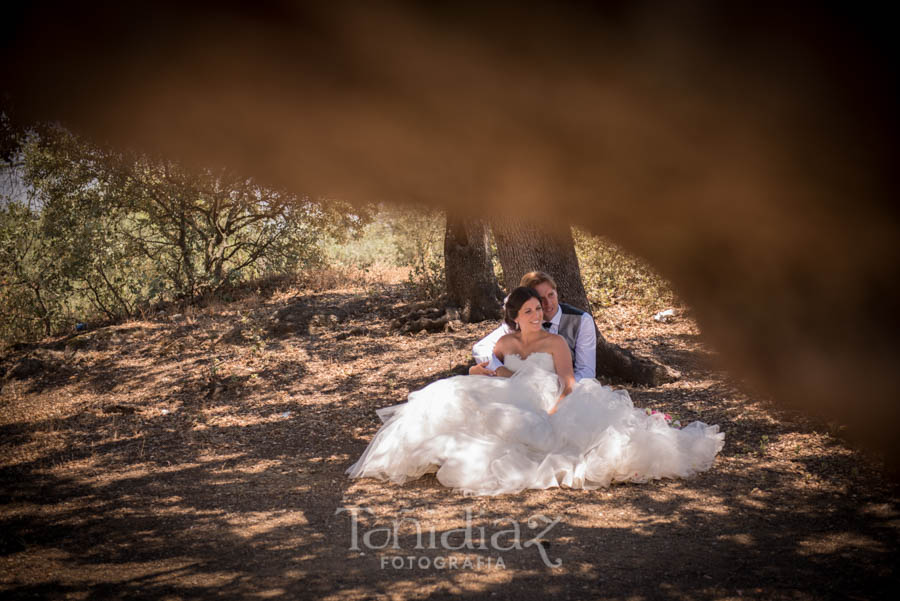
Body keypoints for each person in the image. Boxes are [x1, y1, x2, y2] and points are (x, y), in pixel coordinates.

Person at [346, 287, 724, 496]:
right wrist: (477, 372)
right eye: (528, 311)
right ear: (514, 317)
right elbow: (490, 371)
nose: (536, 315)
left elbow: (569, 382)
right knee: (445, 393)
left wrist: (556, 409)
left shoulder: (555, 342)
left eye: (537, 309)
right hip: (515, 395)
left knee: (541, 433)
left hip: (549, 398)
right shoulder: (507, 344)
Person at [472, 271, 597, 382]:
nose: (548, 303)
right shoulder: (520, 321)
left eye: (551, 295)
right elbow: (481, 348)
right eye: (541, 299)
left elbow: (586, 372)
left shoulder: (582, 320)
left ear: (556, 292)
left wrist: (555, 391)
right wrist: (497, 369)